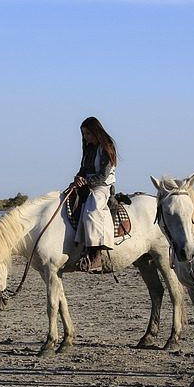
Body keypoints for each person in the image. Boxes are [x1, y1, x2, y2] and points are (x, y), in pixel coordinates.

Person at [73, 117, 117, 273]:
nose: (85, 137)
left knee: (92, 210)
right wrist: (78, 178)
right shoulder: (88, 150)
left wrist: (86, 182)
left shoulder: (106, 148)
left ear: (96, 132)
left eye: (88, 134)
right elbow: (82, 170)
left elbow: (103, 175)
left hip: (102, 187)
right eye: (84, 134)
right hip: (88, 184)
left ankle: (96, 254)